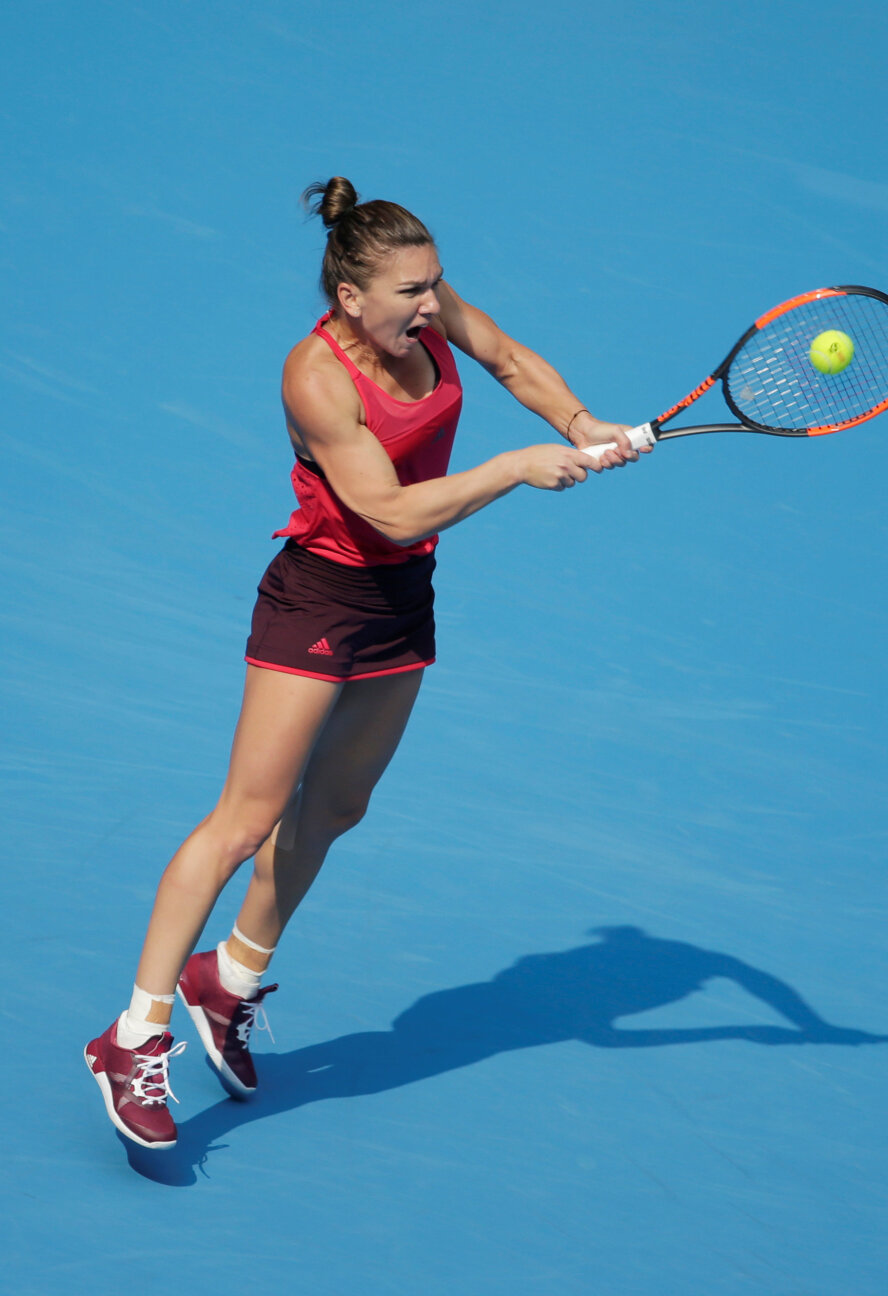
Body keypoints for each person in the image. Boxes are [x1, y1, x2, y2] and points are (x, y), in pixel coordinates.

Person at [85, 176, 641, 1150]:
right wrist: (513, 467)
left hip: (401, 604)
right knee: (245, 819)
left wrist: (579, 423)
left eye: (435, 285)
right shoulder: (316, 375)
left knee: (338, 806)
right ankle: (132, 1036)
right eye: (410, 292)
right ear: (350, 296)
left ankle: (230, 979)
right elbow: (385, 512)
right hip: (318, 603)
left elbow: (508, 359)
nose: (431, 306)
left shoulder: (426, 307)